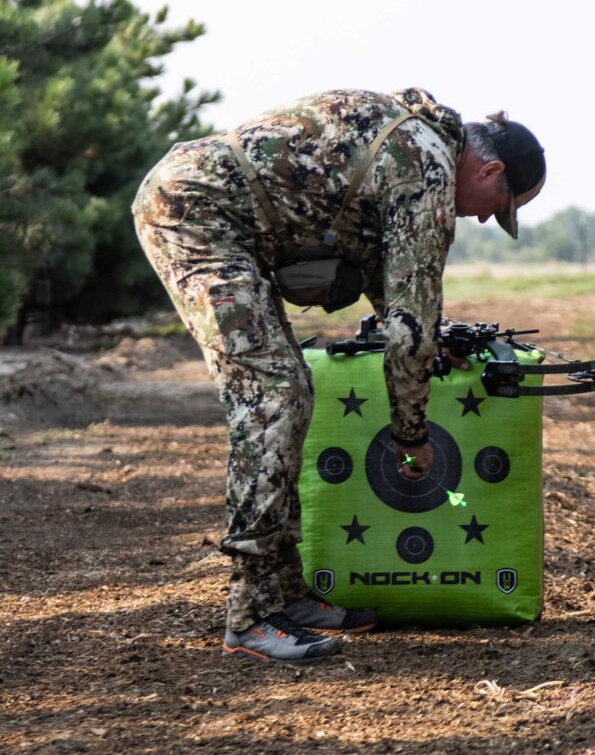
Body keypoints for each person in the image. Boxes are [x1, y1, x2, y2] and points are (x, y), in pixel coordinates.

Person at [132, 87, 546, 666]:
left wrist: (436, 331)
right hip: (195, 216)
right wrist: (410, 435)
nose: (482, 217)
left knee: (288, 388)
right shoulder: (426, 167)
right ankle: (250, 615)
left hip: (213, 210)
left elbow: (395, 286)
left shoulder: (415, 140)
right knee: (276, 393)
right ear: (491, 168)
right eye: (495, 205)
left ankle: (287, 597)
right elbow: (406, 332)